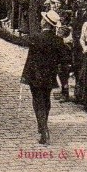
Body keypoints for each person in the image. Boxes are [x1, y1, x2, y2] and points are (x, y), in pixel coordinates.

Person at [21, 10, 71, 145]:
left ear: (44, 22)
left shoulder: (37, 37)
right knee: (46, 100)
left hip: (35, 74)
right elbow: (65, 58)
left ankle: (44, 130)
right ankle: (43, 126)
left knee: (37, 102)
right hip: (49, 75)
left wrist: (2, 33)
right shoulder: (57, 40)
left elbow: (20, 41)